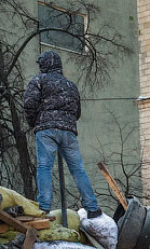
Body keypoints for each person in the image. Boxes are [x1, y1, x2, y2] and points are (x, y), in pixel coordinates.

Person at [23, 51, 101, 217]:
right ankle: (92, 208)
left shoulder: (39, 80)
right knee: (78, 169)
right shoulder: (70, 85)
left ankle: (44, 207)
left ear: (44, 65)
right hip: (68, 131)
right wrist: (66, 121)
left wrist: (34, 122)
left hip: (46, 129)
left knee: (45, 167)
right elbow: (77, 111)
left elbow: (29, 103)